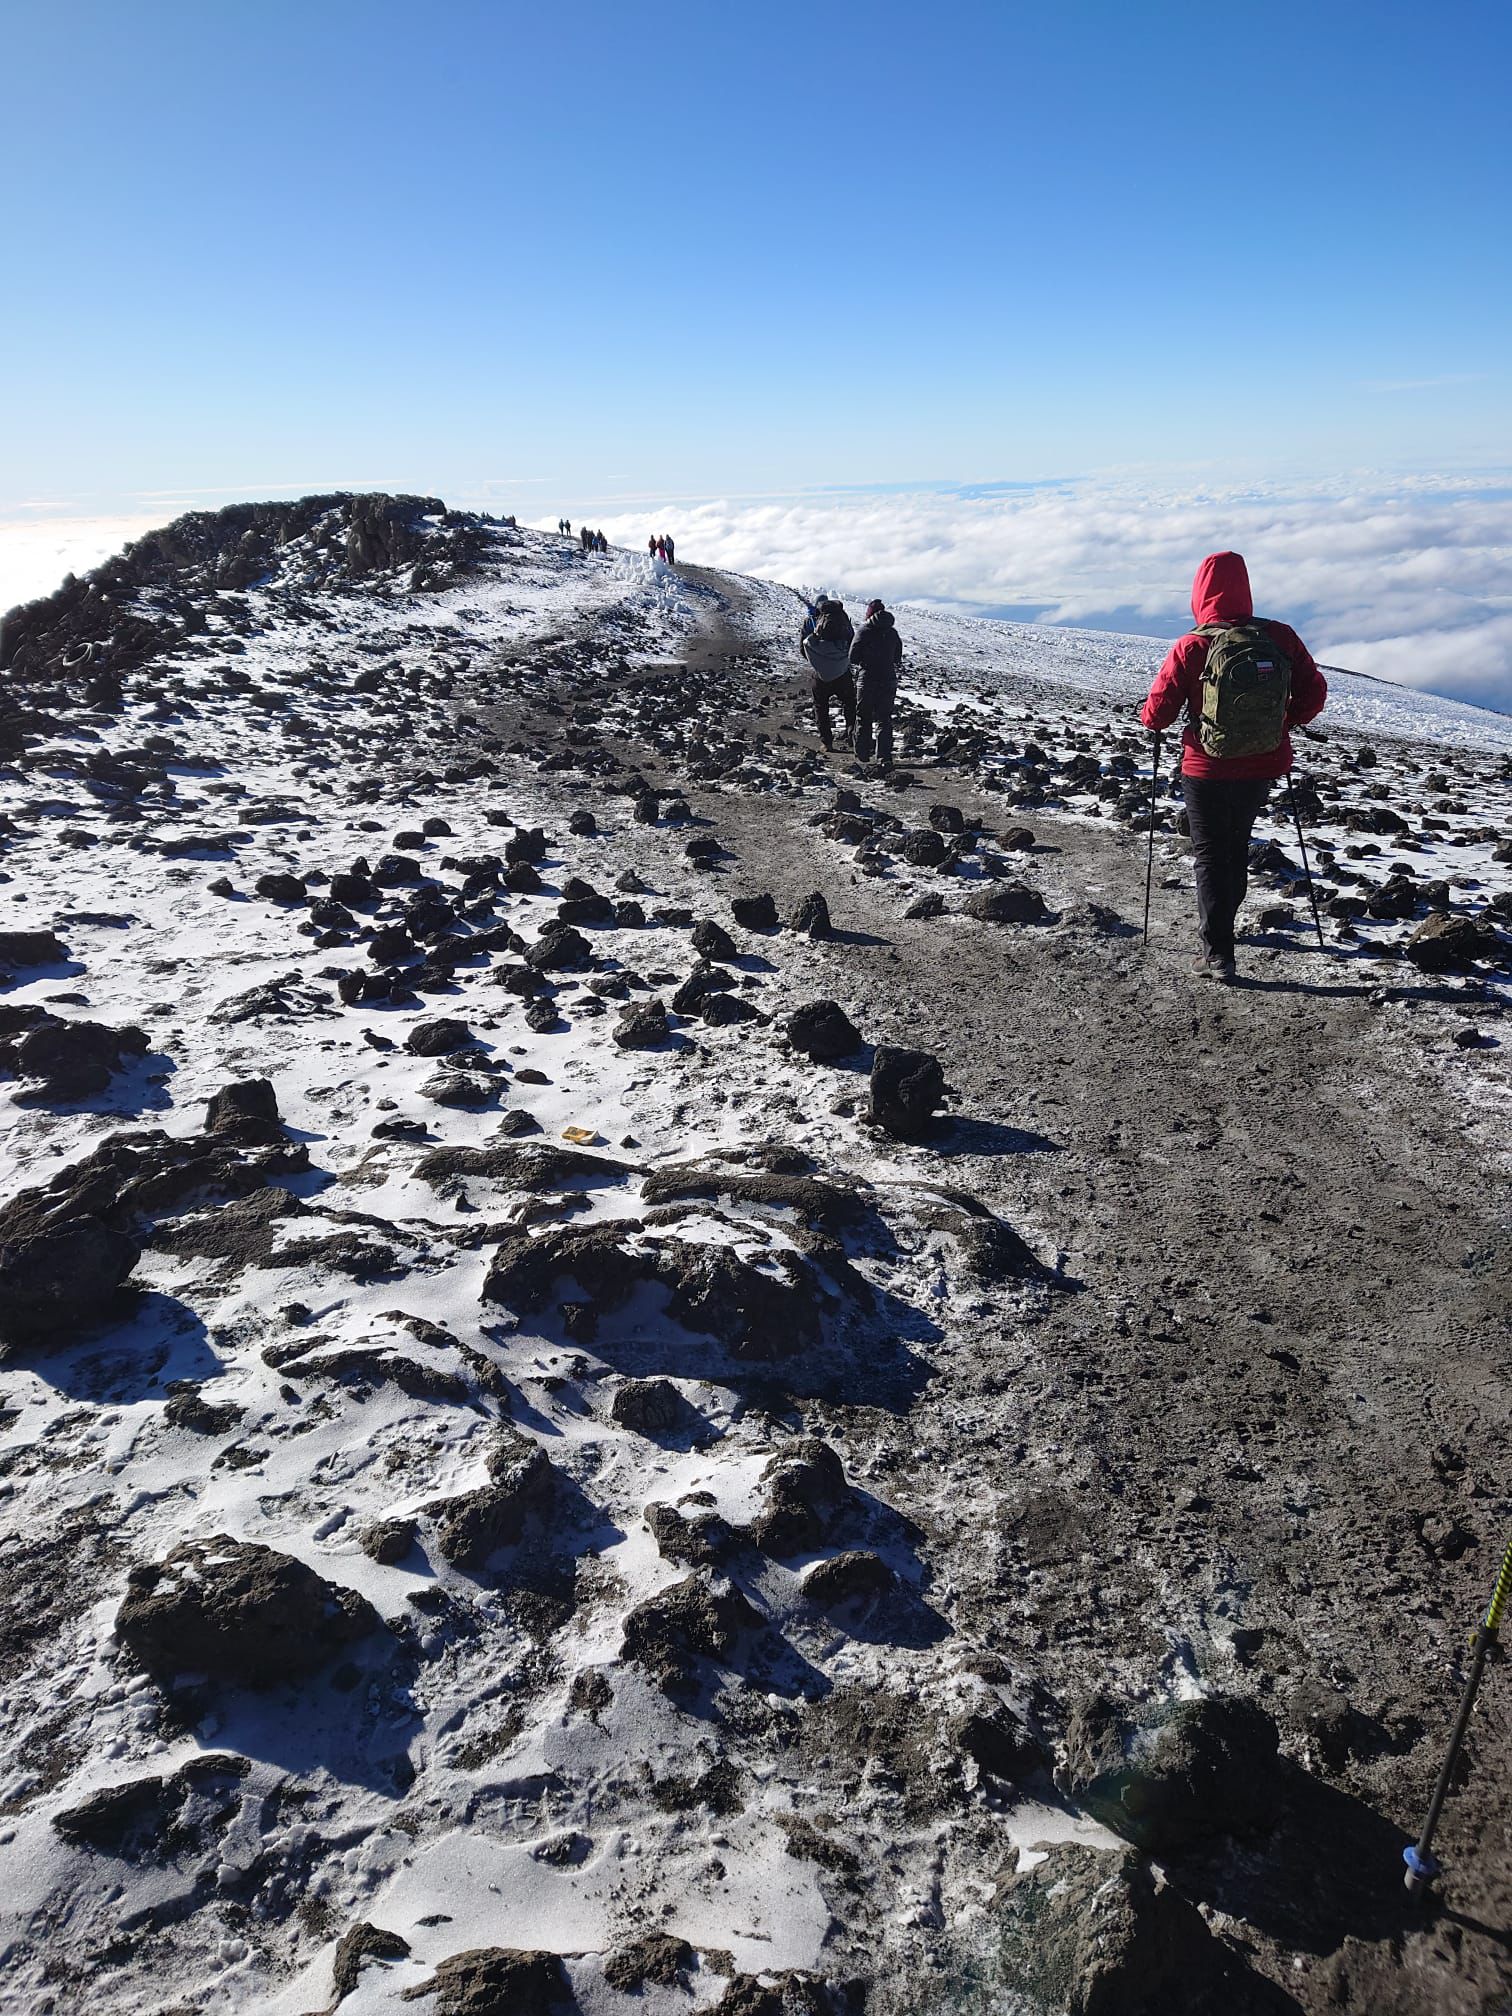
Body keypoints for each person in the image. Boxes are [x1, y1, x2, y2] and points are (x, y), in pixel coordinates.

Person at [1140, 550, 1326, 981]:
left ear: (1199, 592)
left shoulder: (1193, 645)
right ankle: (1223, 932)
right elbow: (1314, 693)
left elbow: (1158, 715)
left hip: (1205, 767)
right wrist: (1282, 723)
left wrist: (1149, 717)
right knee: (1236, 846)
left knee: (1210, 855)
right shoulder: (1279, 637)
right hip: (1262, 761)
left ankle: (1218, 952)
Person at [850, 598, 902, 769]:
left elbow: (853, 656)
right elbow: (897, 658)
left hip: (867, 679)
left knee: (863, 716)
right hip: (888, 679)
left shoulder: (864, 631)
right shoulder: (892, 633)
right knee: (884, 719)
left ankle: (862, 755)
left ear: (870, 614)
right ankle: (884, 757)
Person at [800, 594, 856, 750]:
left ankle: (827, 742)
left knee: (820, 706)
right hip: (843, 672)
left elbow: (803, 647)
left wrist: (817, 662)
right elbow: (852, 644)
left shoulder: (810, 621)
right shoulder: (843, 620)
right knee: (850, 703)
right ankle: (853, 737)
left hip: (820, 674)